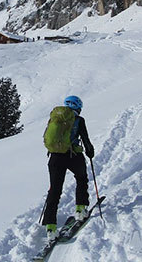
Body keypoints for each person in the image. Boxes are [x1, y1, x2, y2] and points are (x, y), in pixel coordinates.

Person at [41, 95, 95, 241]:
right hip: (72, 156)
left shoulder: (55, 117)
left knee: (55, 189)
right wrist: (90, 151)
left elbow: (46, 136)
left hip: (54, 157)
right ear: (78, 107)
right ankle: (80, 209)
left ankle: (51, 227)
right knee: (82, 179)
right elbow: (85, 140)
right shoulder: (79, 120)